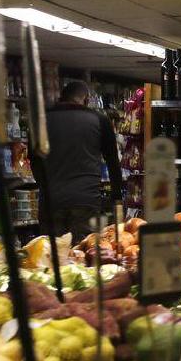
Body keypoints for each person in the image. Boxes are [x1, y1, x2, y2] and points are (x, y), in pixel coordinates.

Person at [40, 80, 123, 241]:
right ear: (86, 99)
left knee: (49, 254)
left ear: (61, 98)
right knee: (84, 253)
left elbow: (34, 160)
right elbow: (113, 162)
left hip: (51, 201)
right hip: (86, 200)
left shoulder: (42, 120)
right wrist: (116, 197)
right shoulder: (99, 120)